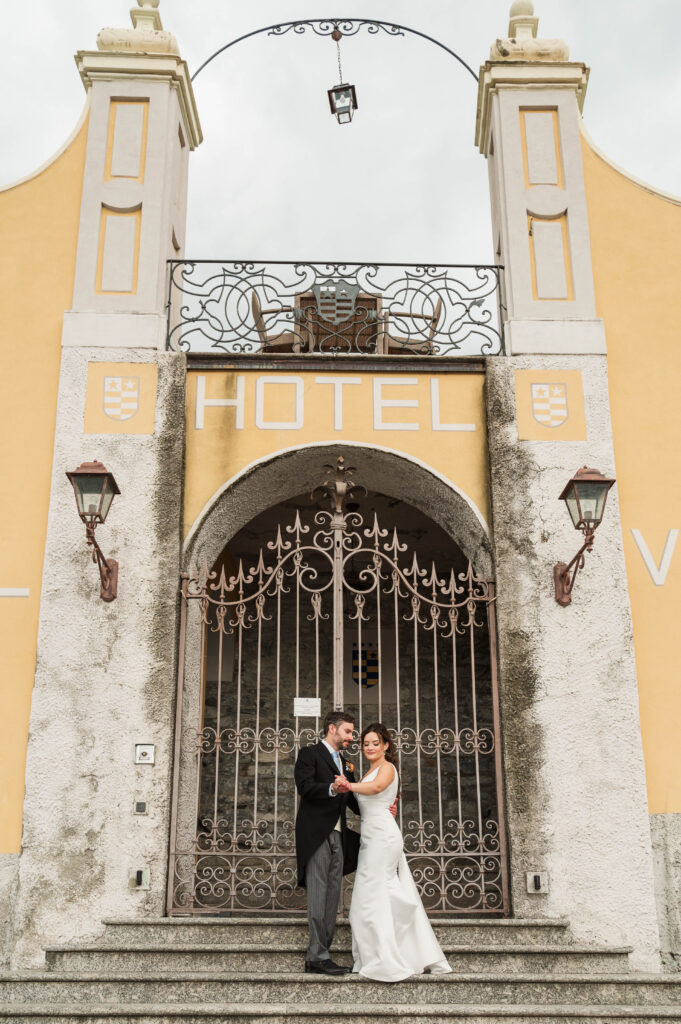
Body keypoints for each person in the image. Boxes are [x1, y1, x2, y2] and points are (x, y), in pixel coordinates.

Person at [335, 722, 452, 982]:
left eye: (375, 743)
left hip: (383, 838)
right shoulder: (370, 770)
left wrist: (348, 786)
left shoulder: (387, 767)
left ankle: (385, 958)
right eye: (366, 744)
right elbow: (372, 796)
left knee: (369, 898)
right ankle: (388, 953)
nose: (370, 747)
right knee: (377, 897)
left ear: (386, 745)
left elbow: (377, 789)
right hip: (372, 837)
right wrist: (354, 788)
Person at [293, 710, 360, 976]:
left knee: (333, 897)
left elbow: (354, 800)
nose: (351, 737)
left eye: (352, 733)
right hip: (317, 834)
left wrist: (379, 808)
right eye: (348, 732)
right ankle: (317, 956)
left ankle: (321, 954)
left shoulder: (346, 763)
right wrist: (332, 789)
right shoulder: (310, 754)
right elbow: (305, 786)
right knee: (319, 897)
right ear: (332, 729)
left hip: (339, 835)